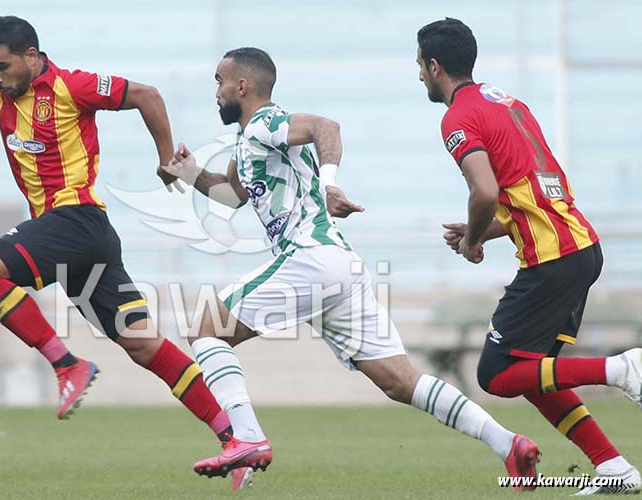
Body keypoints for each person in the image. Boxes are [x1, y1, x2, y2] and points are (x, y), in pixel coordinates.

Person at [0, 15, 254, 489]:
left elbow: (147, 95)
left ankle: (66, 363)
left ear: (32, 56)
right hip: (77, 237)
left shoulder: (73, 87)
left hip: (75, 220)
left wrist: (165, 159)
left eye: (4, 66)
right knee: (143, 344)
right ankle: (235, 441)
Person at [163, 46, 540, 490]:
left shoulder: (267, 122)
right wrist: (189, 173)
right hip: (337, 266)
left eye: (219, 81)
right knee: (401, 382)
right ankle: (508, 444)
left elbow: (327, 127)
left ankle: (246, 439)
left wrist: (329, 184)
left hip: (310, 257)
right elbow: (233, 193)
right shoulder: (251, 141)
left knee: (207, 329)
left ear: (241, 86)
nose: (217, 91)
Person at [417, 17, 641, 495]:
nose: (418, 75)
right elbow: (528, 195)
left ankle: (620, 369)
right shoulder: (507, 102)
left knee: (495, 374)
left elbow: (484, 192)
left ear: (435, 66)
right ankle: (613, 467)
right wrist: (487, 233)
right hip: (578, 246)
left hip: (553, 259)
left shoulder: (458, 117)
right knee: (531, 372)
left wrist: (475, 238)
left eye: (419, 65)